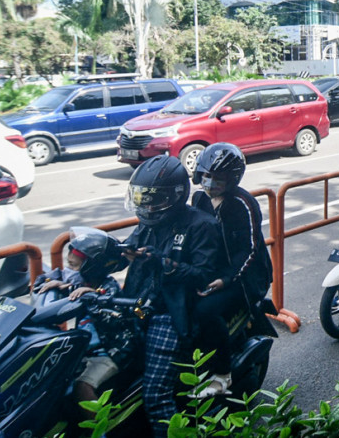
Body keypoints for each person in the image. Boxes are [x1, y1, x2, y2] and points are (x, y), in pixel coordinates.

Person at [120, 155, 223, 438]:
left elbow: (203, 275)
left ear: (176, 195)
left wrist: (161, 263)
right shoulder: (147, 224)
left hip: (171, 313)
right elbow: (126, 249)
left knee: (155, 396)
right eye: (142, 198)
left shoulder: (200, 225)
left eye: (153, 198)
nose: (147, 205)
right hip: (136, 304)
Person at [190, 143, 272, 397]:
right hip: (210, 271)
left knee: (206, 310)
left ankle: (222, 373)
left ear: (232, 179)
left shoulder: (242, 203)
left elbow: (249, 250)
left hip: (245, 277)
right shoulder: (199, 199)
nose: (211, 183)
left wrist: (226, 279)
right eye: (207, 176)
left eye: (219, 178)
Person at [33, 228, 131, 410]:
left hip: (109, 351)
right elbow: (49, 280)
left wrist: (93, 294)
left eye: (76, 262)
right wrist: (56, 285)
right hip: (83, 351)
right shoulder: (79, 279)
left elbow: (106, 301)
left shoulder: (108, 286)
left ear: (95, 264)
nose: (71, 260)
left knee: (82, 387)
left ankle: (98, 431)